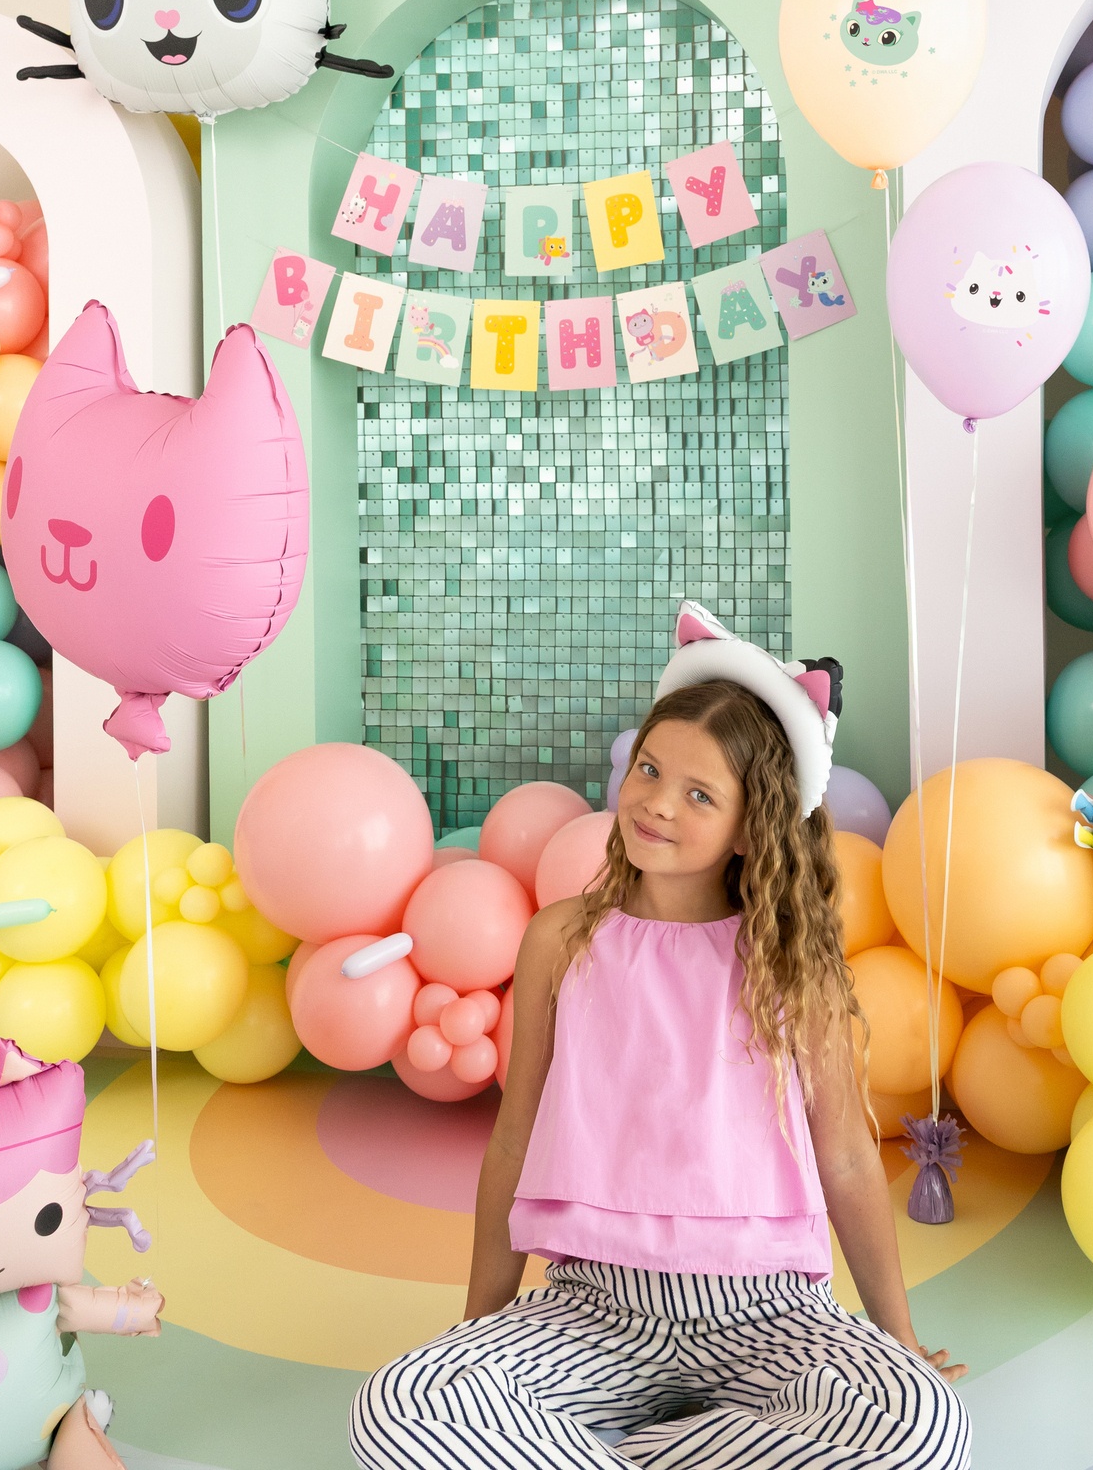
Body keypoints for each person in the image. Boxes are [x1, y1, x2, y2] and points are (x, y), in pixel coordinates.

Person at [352, 601, 970, 1469]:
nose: (656, 803)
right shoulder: (561, 940)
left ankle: (623, 1452)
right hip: (590, 1313)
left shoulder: (794, 965)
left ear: (752, 827)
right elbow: (514, 1138)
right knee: (402, 1406)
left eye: (699, 794)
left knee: (925, 1429)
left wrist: (896, 1339)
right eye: (649, 768)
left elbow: (845, 1159)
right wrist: (476, 1337)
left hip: (770, 1316)